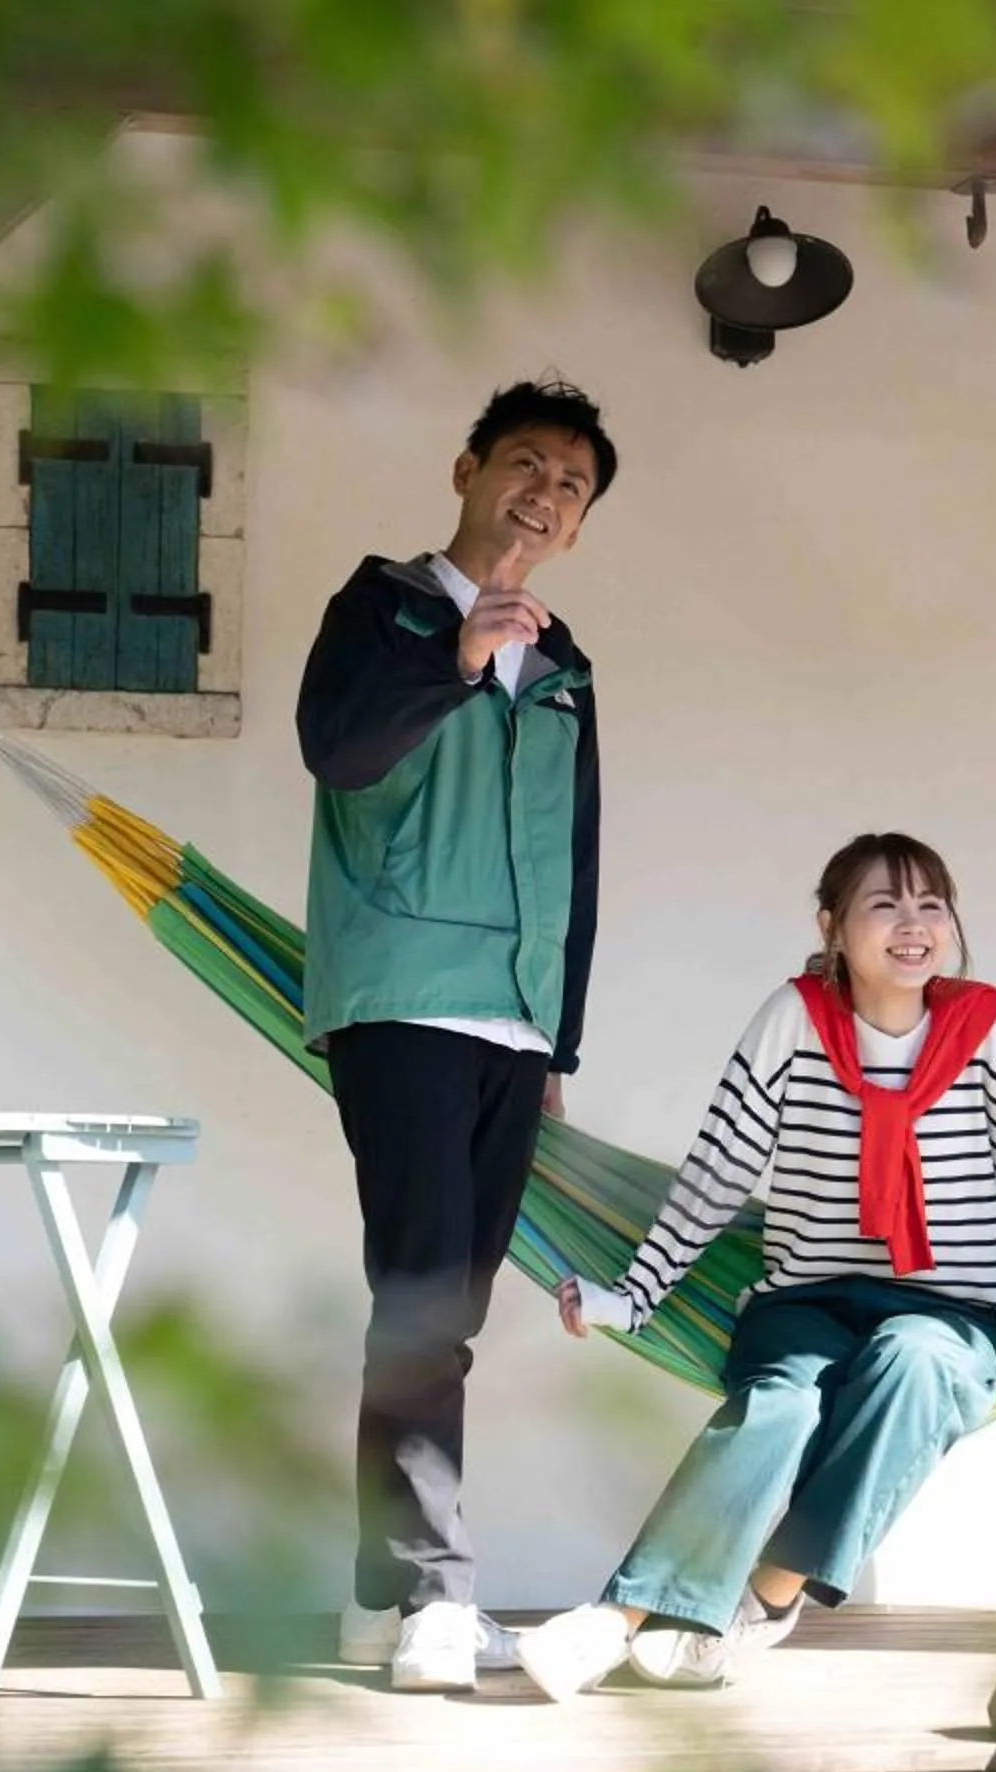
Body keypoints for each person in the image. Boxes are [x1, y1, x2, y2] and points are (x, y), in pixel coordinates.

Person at [517, 832, 996, 1699]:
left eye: (932, 905)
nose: (912, 925)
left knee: (914, 1363)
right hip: (806, 1299)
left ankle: (767, 1597)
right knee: (778, 1405)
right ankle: (616, 1621)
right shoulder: (793, 1020)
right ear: (832, 926)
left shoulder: (983, 1030)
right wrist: (638, 1295)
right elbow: (718, 1169)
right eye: (885, 904)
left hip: (953, 1309)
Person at [298, 377, 619, 1692]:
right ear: (468, 465)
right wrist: (457, 655)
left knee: (448, 1312)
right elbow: (338, 747)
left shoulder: (570, 667)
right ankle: (439, 1590)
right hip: (402, 998)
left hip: (511, 1024)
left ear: (581, 524)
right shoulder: (383, 607)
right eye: (528, 465)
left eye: (573, 487)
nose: (545, 495)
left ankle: (383, 1601)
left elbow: (578, 861)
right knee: (423, 1302)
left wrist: (561, 1042)